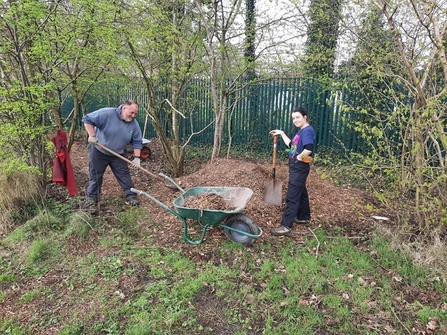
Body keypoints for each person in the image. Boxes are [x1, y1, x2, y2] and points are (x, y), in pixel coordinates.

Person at [82, 99, 143, 206]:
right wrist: (92, 135)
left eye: (135, 113)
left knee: (124, 175)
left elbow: (137, 141)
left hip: (118, 154)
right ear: (124, 108)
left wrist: (137, 157)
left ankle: (131, 196)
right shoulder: (106, 113)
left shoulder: (134, 125)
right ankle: (92, 199)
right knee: (96, 175)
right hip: (99, 151)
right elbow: (87, 119)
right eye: (131, 112)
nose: (133, 115)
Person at [269, 106, 315, 236]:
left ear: (305, 117)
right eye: (293, 118)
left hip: (299, 168)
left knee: (292, 196)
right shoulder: (301, 131)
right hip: (297, 167)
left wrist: (299, 158)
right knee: (301, 192)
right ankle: (303, 217)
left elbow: (309, 148)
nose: (295, 120)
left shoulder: (307, 131)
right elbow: (292, 146)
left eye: (298, 117)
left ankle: (286, 225)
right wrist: (282, 133)